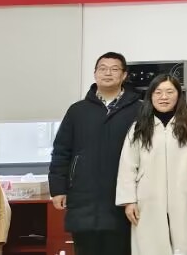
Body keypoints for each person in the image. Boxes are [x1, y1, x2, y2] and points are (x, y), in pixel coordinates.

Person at [49, 51, 141, 255]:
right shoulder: (77, 111)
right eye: (102, 68)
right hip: (84, 199)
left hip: (123, 198)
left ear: (124, 75)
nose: (108, 73)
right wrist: (58, 188)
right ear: (95, 73)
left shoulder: (139, 110)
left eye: (114, 69)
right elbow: (61, 151)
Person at [116, 74, 187, 255]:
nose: (164, 97)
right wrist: (129, 201)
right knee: (149, 243)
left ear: (178, 95)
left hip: (185, 193)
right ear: (150, 95)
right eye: (158, 92)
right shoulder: (139, 126)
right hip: (147, 197)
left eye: (169, 92)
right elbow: (128, 165)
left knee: (186, 242)